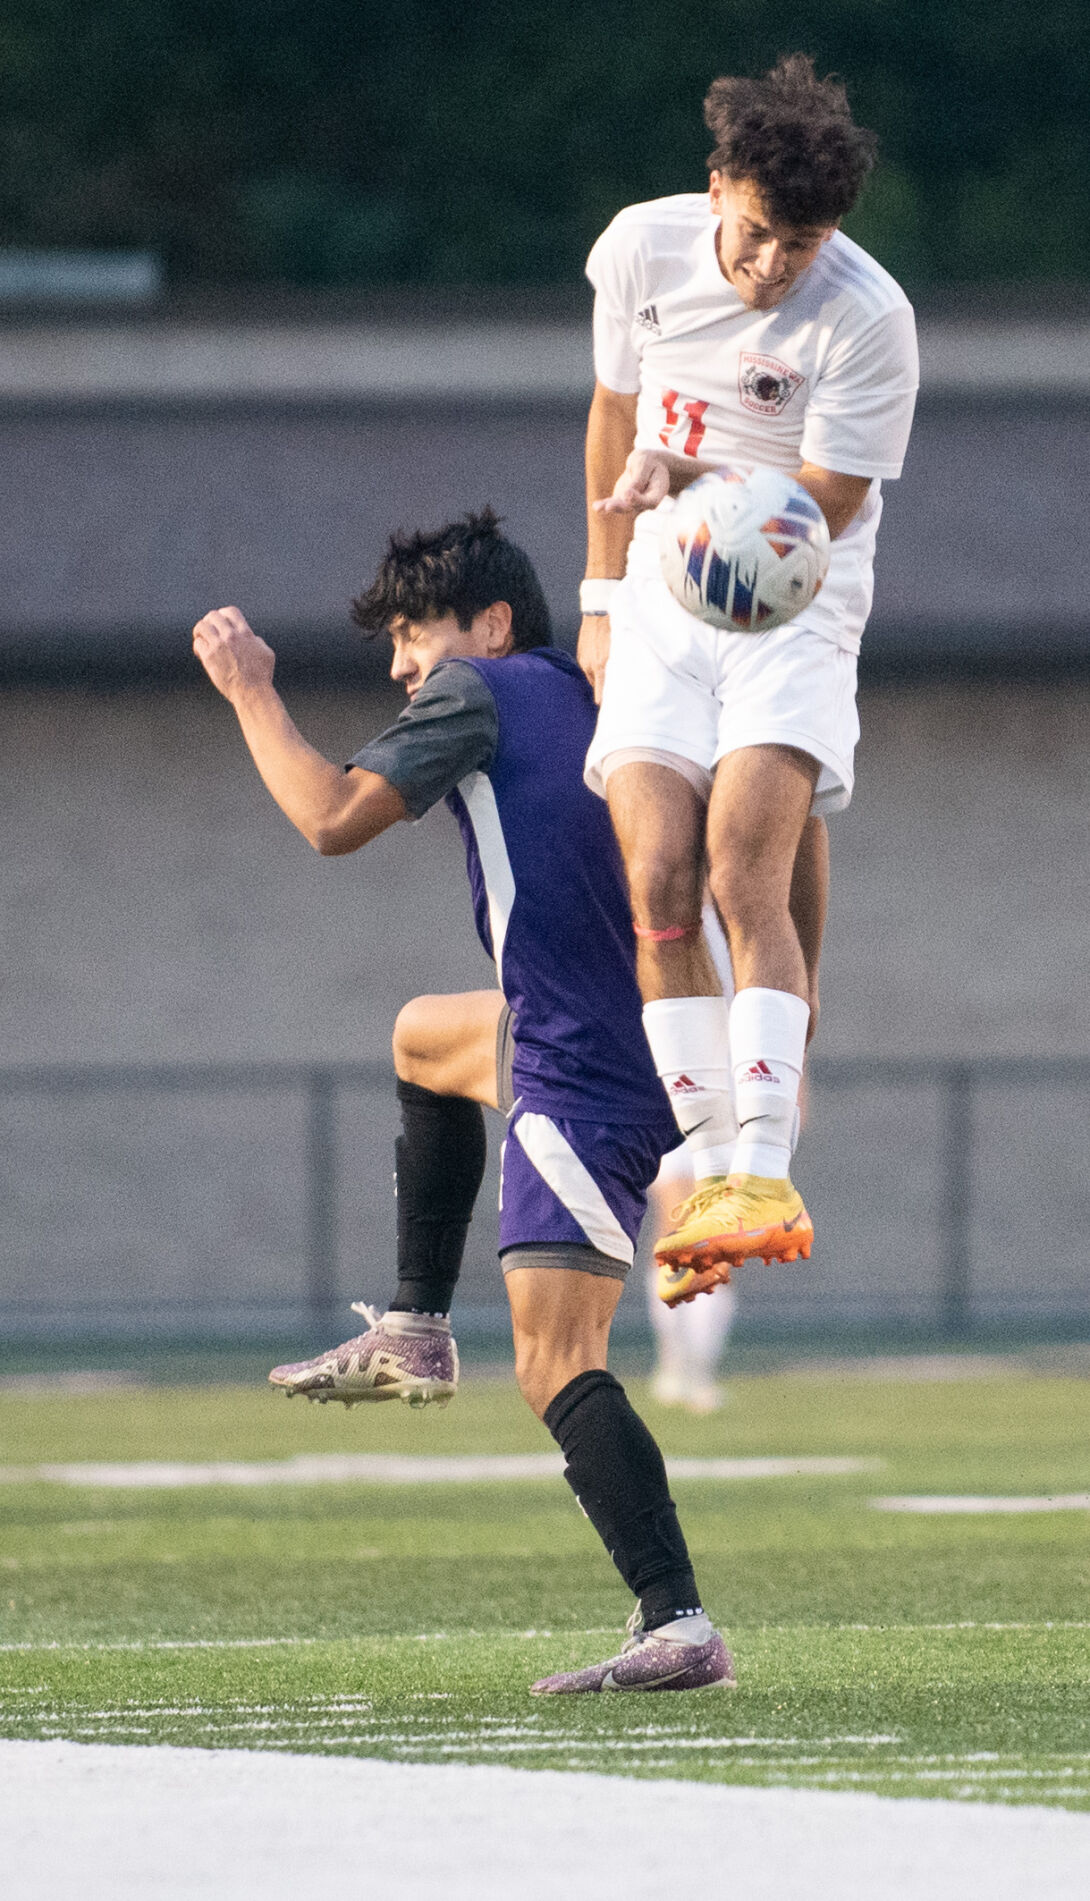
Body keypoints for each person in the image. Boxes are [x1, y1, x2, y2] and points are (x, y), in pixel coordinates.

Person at [192, 510, 734, 1695]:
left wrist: (246, 691)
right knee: (425, 1037)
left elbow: (331, 818)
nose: (399, 663)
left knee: (554, 1360)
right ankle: (415, 1323)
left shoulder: (479, 693)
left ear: (489, 626)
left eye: (411, 632)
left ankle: (677, 1618)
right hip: (640, 1025)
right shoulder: (586, 683)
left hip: (585, 1062)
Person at [577, 54, 918, 1310]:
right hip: (659, 591)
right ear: (717, 185)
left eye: (807, 243)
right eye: (763, 234)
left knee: (738, 870)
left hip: (796, 593)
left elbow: (830, 495)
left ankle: (768, 1170)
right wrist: (603, 597)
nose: (777, 266)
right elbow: (614, 418)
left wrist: (705, 489)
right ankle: (714, 1174)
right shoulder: (638, 252)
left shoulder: (868, 314)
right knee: (656, 881)